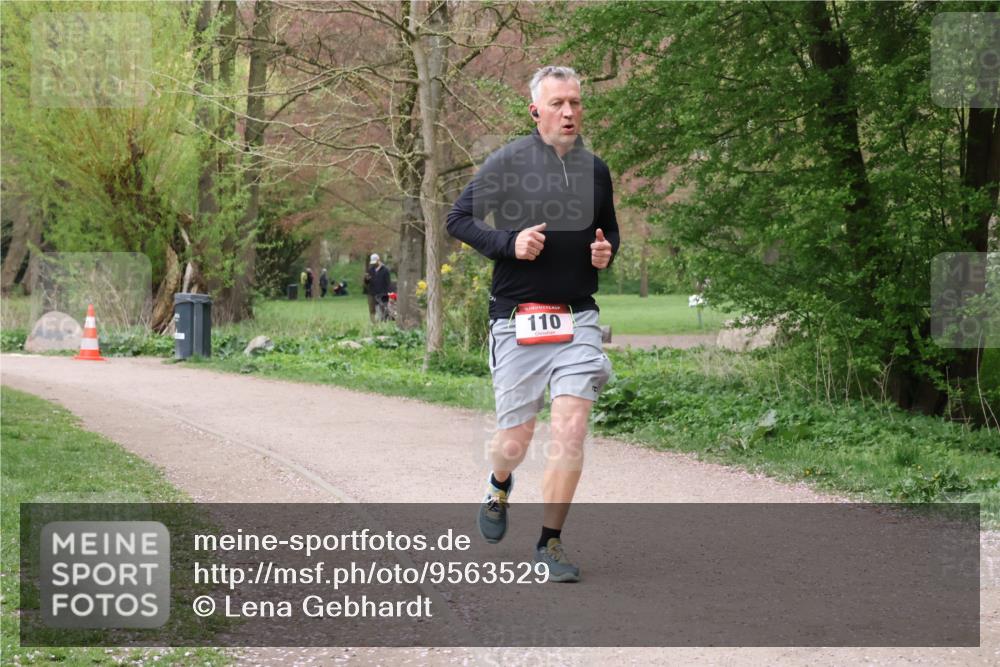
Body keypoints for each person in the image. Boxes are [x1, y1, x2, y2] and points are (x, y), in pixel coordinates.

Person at [446, 65, 619, 582]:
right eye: (558, 103)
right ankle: (499, 483)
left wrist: (606, 251)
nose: (569, 112)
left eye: (576, 102)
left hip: (577, 318)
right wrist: (510, 243)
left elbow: (607, 229)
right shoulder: (508, 162)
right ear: (535, 110)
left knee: (571, 426)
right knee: (516, 438)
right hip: (518, 320)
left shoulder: (596, 170)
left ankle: (549, 544)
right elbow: (459, 219)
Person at [368, 253, 392, 321]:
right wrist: (366, 279)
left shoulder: (385, 270)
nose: (374, 264)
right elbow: (367, 283)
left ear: (378, 260)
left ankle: (383, 321)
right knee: (372, 309)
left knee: (382, 308)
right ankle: (373, 322)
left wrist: (388, 294)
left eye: (375, 262)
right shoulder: (370, 270)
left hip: (382, 293)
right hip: (372, 292)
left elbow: (388, 283)